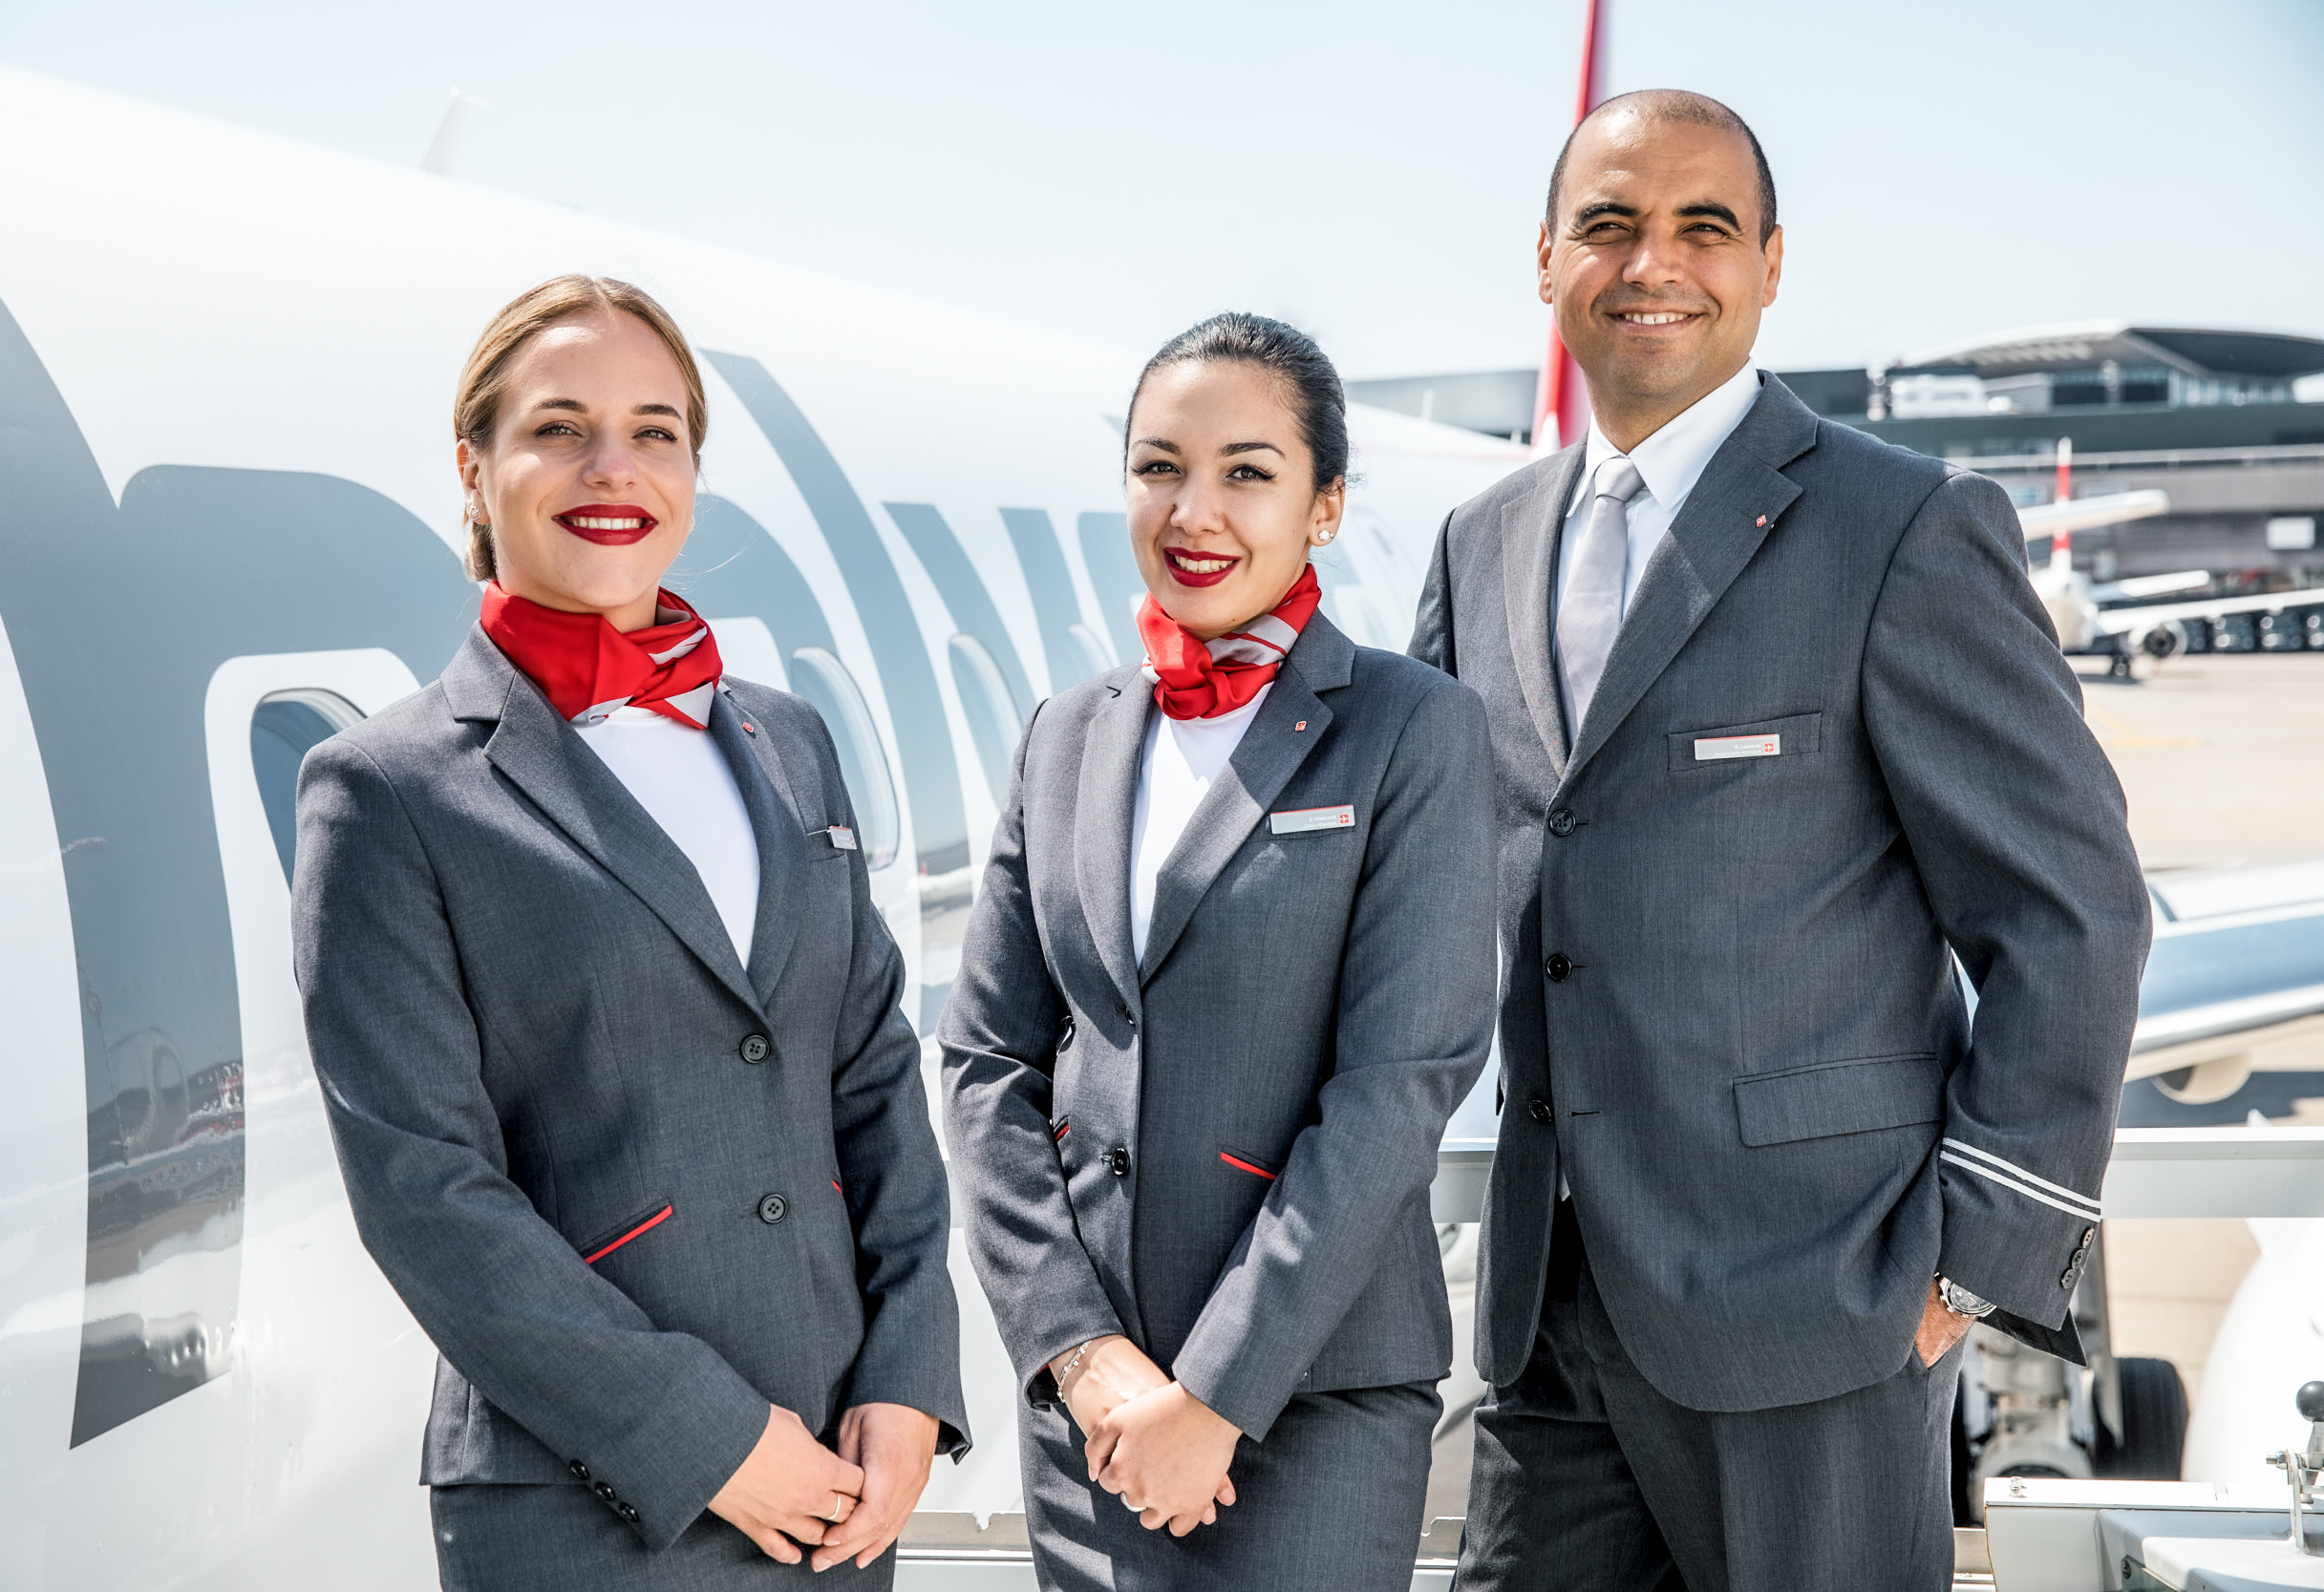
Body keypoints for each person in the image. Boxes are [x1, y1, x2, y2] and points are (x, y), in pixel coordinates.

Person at [1410, 92, 2151, 1592]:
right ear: (1544, 258)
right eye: (1608, 225)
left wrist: (1971, 1267)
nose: (1652, 263)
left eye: (1703, 227)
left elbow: (2070, 912)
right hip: (1549, 1316)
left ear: (1767, 263)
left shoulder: (1900, 527)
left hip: (1819, 1309)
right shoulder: (1478, 545)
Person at [291, 275, 966, 1589]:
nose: (614, 468)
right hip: (583, 1502)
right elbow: (424, 1187)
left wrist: (907, 1372)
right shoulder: (388, 789)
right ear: (473, 470)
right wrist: (710, 1441)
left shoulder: (787, 739)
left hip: (838, 1475)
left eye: (655, 431)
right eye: (559, 428)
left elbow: (869, 1069)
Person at [941, 312, 1497, 1589]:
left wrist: (1211, 1398)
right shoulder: (1067, 734)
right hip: (1092, 1414)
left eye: (1247, 471)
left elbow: (1398, 1085)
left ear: (1323, 506)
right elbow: (983, 1063)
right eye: (1159, 467)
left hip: (1310, 1398)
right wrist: (1078, 1351)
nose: (1194, 511)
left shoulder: (1411, 730)